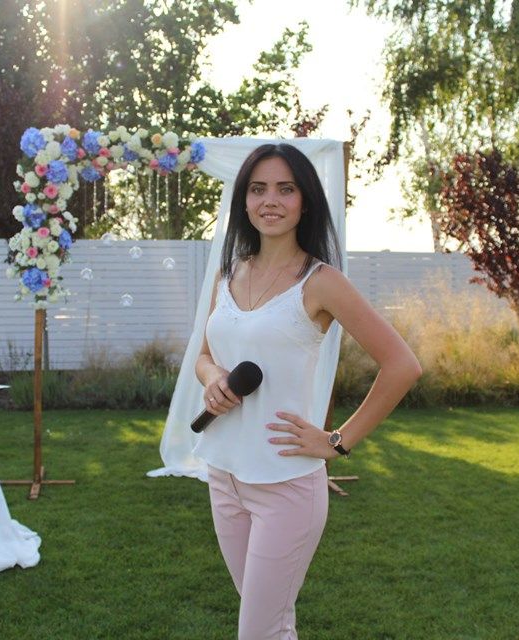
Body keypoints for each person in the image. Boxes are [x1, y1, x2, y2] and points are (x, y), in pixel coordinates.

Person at [194, 142, 422, 639]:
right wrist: (213, 380)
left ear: (305, 201)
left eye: (285, 189)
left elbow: (402, 365)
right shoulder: (229, 273)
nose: (270, 200)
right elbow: (204, 357)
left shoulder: (321, 282)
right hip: (223, 475)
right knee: (272, 626)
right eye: (258, 189)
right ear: (244, 200)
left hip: (285, 485)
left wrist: (338, 441)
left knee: (259, 631)